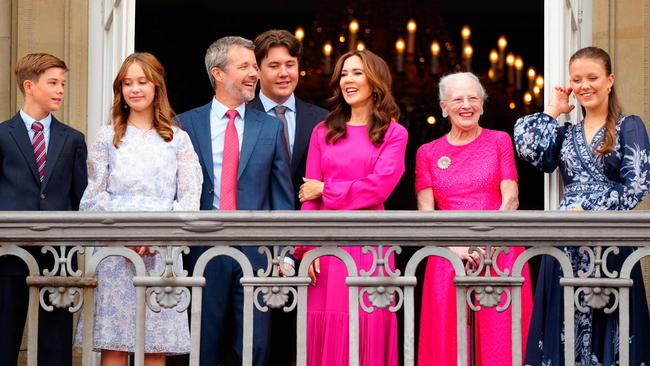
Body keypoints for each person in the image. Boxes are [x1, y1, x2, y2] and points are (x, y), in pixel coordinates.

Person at [515, 46, 650, 365]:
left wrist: (589, 209)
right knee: (562, 331)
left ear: (609, 80)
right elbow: (528, 149)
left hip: (610, 244)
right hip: (565, 245)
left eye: (592, 77)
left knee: (611, 330)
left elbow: (639, 185)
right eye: (577, 79)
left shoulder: (629, 126)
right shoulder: (564, 134)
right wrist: (553, 110)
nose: (585, 85)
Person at [75, 52, 202, 366]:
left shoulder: (178, 140)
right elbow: (92, 198)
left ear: (156, 86)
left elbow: (188, 200)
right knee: (114, 345)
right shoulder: (108, 137)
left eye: (142, 82)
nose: (135, 89)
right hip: (116, 252)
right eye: (127, 83)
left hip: (160, 253)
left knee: (154, 347)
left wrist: (155, 235)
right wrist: (125, 234)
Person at [176, 36, 294, 366]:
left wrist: (283, 257)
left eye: (255, 67)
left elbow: (282, 199)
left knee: (254, 347)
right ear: (218, 73)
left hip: (255, 254)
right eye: (244, 67)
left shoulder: (270, 127)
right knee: (201, 344)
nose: (254, 73)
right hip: (200, 250)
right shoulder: (185, 124)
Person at [294, 49, 407, 366]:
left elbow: (379, 187)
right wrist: (307, 249)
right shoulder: (322, 131)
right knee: (324, 325)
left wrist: (327, 189)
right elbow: (309, 195)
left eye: (357, 73)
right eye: (344, 74)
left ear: (375, 81)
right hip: (325, 249)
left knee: (365, 325)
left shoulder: (394, 134)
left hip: (369, 245)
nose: (348, 80)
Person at [415, 72, 533, 366]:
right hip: (447, 254)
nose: (466, 105)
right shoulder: (427, 152)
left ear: (482, 104)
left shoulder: (499, 141)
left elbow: (511, 197)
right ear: (444, 106)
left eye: (473, 98)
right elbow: (425, 212)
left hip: (499, 252)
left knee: (501, 344)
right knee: (449, 346)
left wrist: (485, 246)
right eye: (458, 99)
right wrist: (459, 251)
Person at [0, 53, 87, 366]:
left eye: (62, 83)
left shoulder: (73, 139)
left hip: (57, 256)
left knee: (55, 342)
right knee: (4, 335)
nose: (60, 90)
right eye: (53, 83)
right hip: (8, 254)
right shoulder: (2, 135)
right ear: (29, 86)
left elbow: (80, 198)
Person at [250, 29, 329, 365]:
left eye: (291, 64)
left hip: (310, 245)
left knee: (300, 342)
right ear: (258, 69)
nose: (284, 73)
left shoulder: (323, 120)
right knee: (255, 341)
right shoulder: (240, 115)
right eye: (274, 65)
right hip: (255, 243)